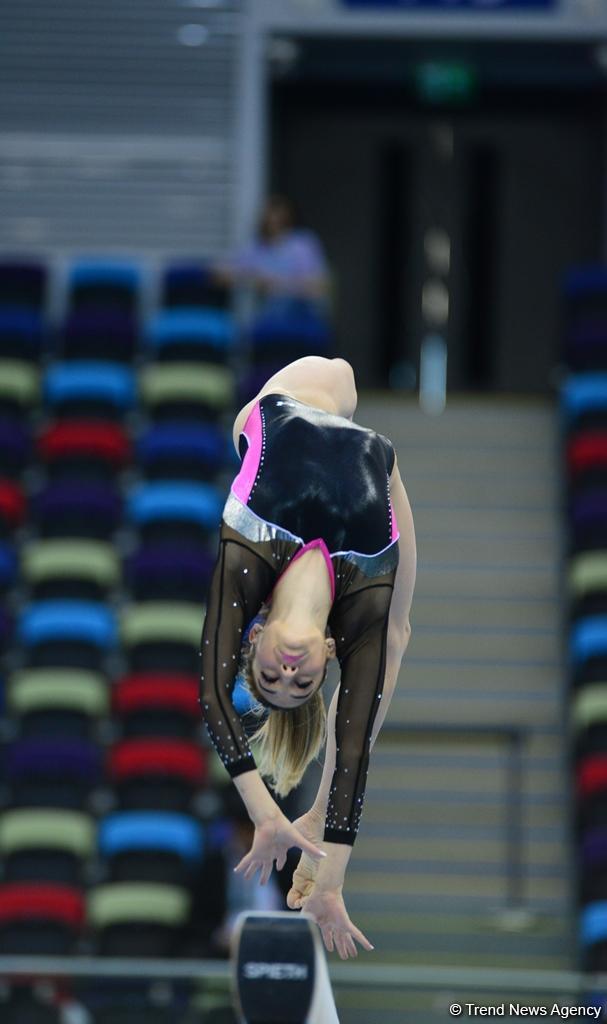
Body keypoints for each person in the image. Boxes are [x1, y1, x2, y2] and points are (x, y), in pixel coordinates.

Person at [198, 355, 417, 960]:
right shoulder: (362, 597)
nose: (289, 671)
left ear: (255, 636)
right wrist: (331, 873)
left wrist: (264, 811)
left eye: (271, 675)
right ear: (326, 658)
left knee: (387, 643)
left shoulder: (248, 556)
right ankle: (316, 810)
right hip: (376, 470)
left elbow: (211, 694)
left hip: (287, 399)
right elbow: (350, 753)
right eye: (303, 682)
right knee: (393, 636)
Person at [212, 194, 330, 315]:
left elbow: (319, 288)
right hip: (260, 314)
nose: (273, 221)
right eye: (269, 216)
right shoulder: (255, 247)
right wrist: (251, 280)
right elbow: (219, 276)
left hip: (297, 311)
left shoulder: (302, 245)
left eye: (279, 218)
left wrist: (278, 284)